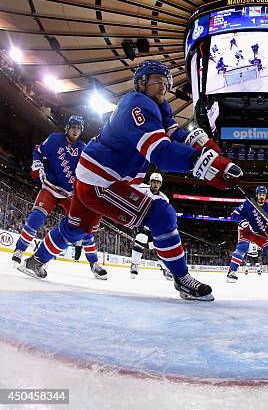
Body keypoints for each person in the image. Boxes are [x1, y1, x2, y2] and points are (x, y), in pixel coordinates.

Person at [18, 60, 243, 301]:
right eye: (157, 81)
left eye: (165, 83)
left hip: (93, 175)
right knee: (161, 214)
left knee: (76, 229)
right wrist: (205, 163)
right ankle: (182, 279)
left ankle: (36, 260)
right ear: (141, 83)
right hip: (102, 181)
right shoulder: (137, 105)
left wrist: (203, 145)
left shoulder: (157, 105)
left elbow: (173, 132)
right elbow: (161, 153)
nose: (163, 87)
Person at [12, 115, 106, 280]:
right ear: (67, 128)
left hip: (70, 195)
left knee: (84, 228)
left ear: (81, 130)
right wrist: (38, 164)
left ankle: (94, 263)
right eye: (73, 127)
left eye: (78, 128)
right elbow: (38, 151)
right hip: (50, 186)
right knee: (36, 217)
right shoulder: (55, 139)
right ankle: (19, 249)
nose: (75, 130)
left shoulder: (83, 149)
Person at [226, 186, 268, 282]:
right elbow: (234, 215)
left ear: (266, 196)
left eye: (263, 195)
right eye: (260, 194)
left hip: (259, 232)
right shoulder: (248, 203)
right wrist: (241, 221)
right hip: (246, 230)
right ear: (256, 195)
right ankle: (231, 273)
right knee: (242, 247)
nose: (262, 197)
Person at [129, 172, 172, 280]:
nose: (155, 184)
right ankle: (134, 264)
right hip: (141, 221)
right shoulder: (141, 188)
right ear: (150, 182)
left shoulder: (164, 199)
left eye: (158, 182)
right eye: (154, 181)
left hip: (154, 224)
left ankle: (165, 268)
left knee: (161, 245)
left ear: (160, 184)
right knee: (141, 237)